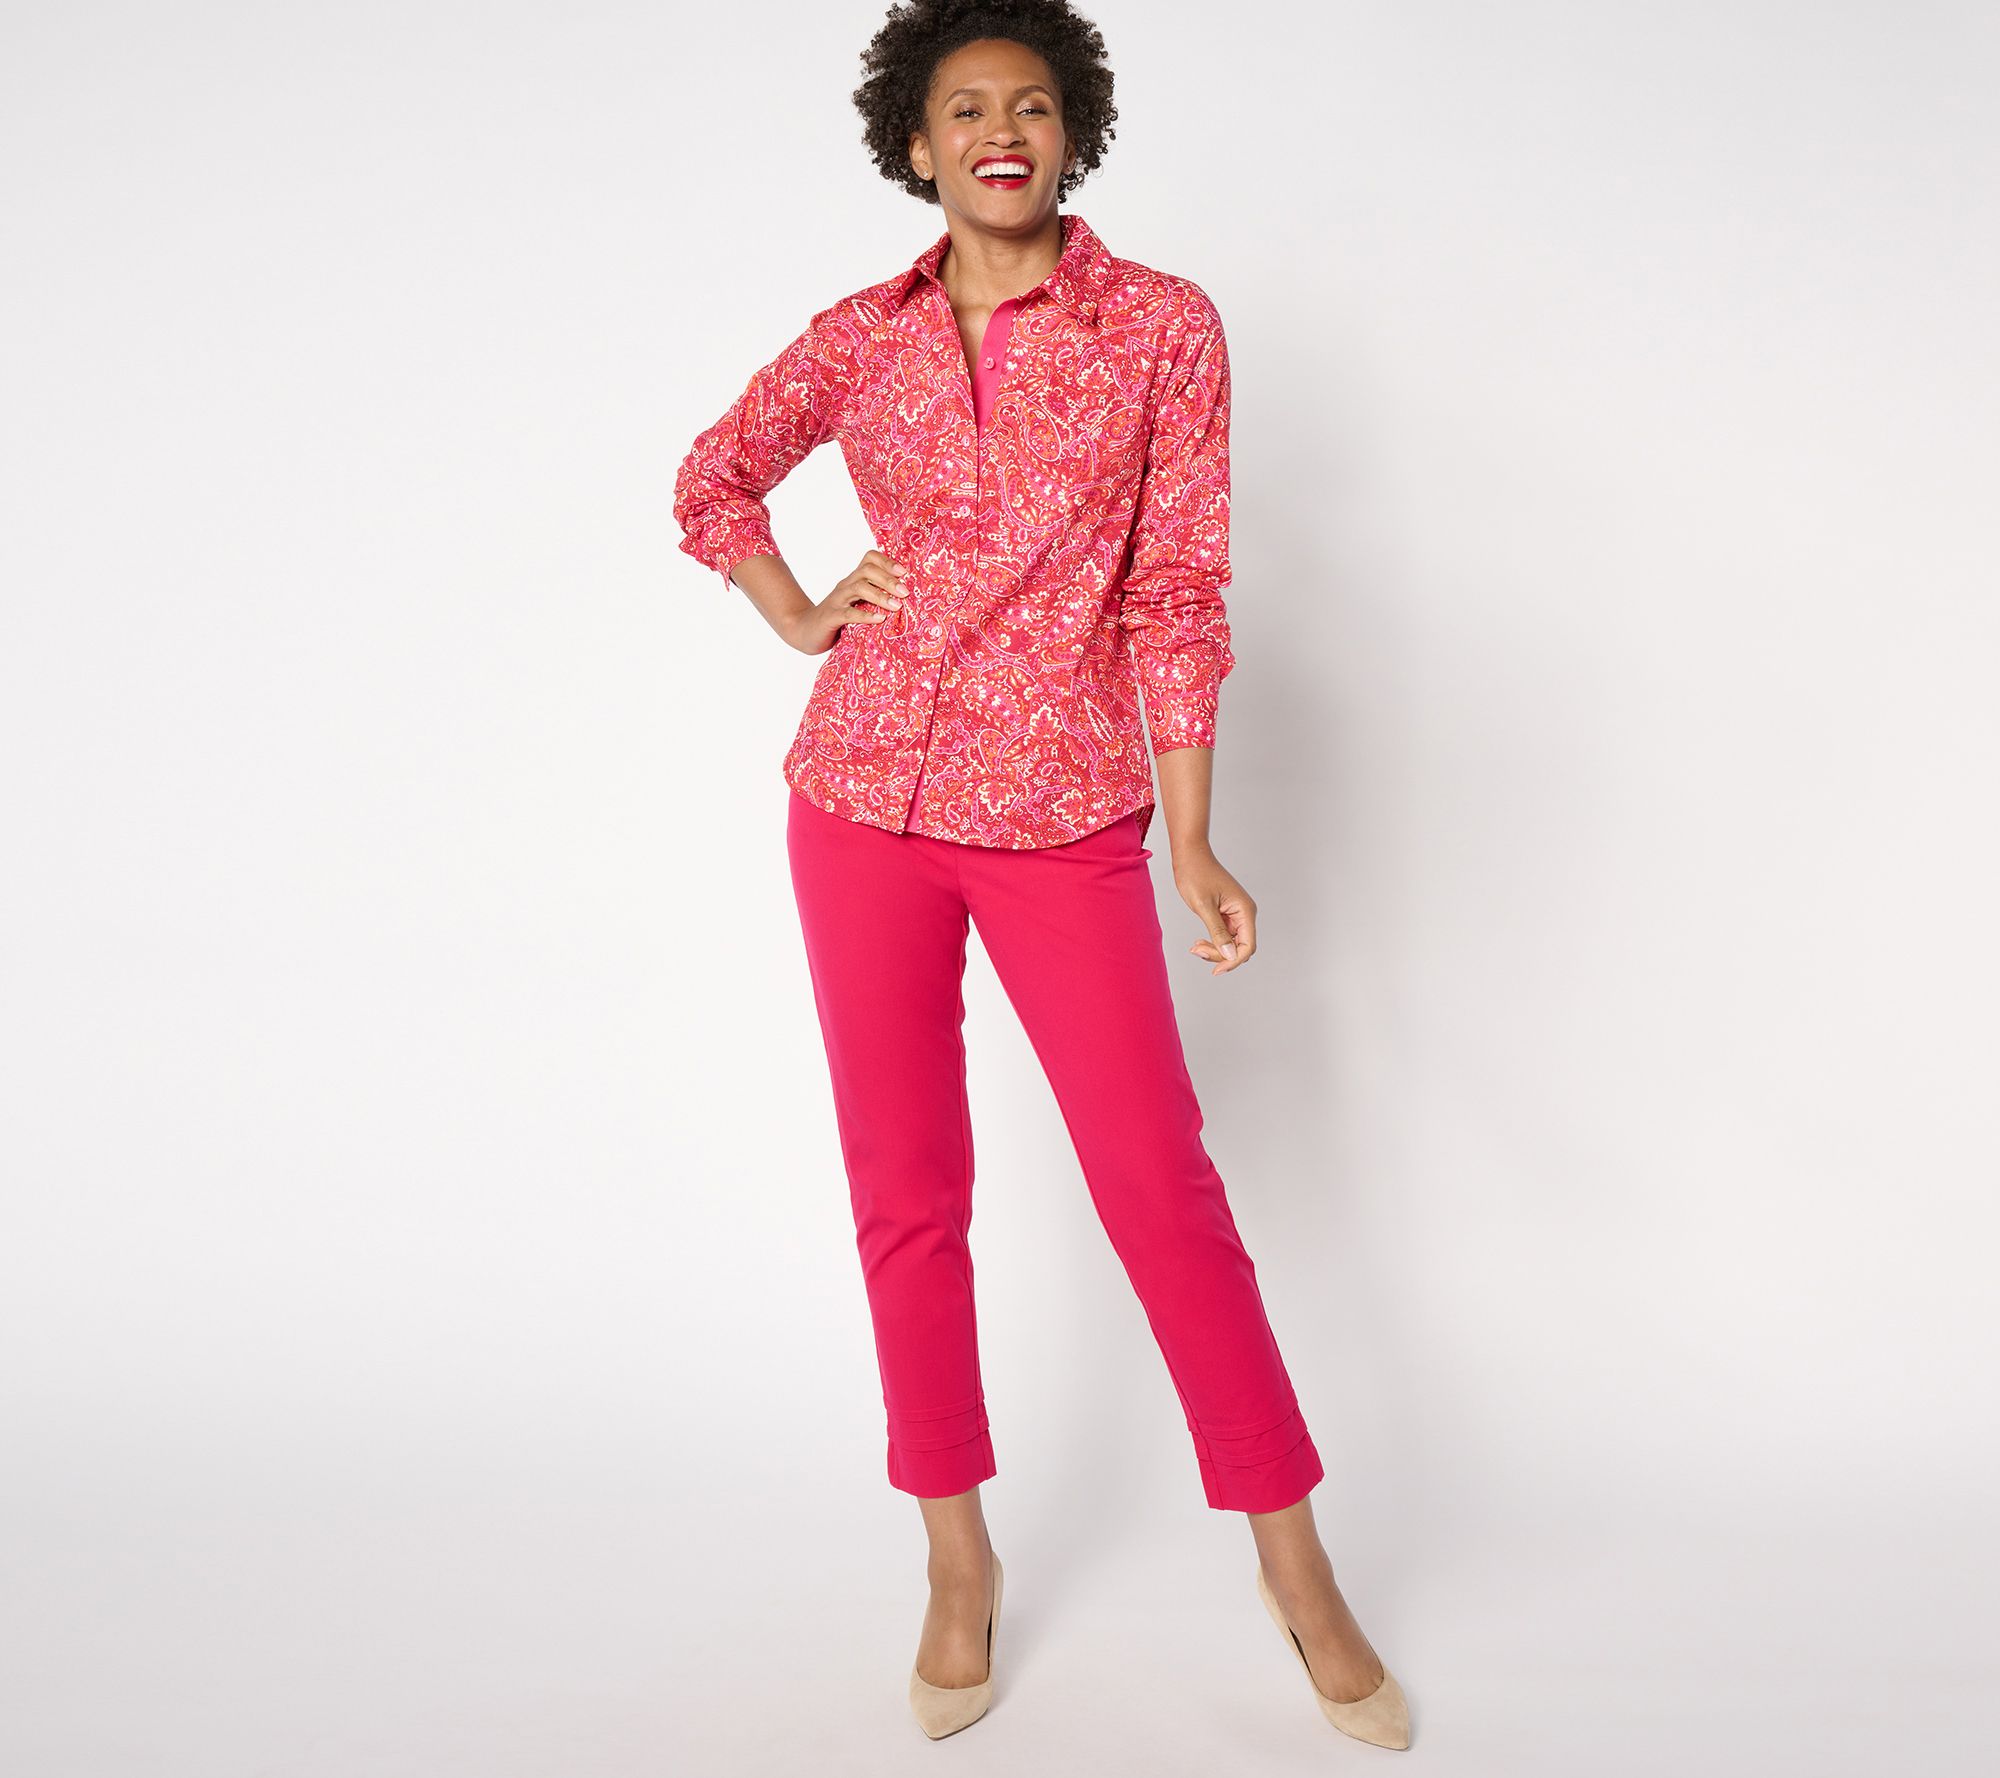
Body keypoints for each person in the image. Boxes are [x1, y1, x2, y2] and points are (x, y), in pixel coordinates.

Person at [673, 0, 1410, 1749]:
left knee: (1160, 1183)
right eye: (963, 108)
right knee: (905, 1190)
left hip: (1066, 815)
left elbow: (1176, 590)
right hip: (861, 800)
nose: (998, 130)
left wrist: (1192, 833)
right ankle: (956, 1558)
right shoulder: (859, 338)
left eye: (1029, 104)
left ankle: (1296, 1566)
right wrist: (796, 612)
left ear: (1072, 131)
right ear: (914, 144)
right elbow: (714, 479)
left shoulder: (1160, 326)